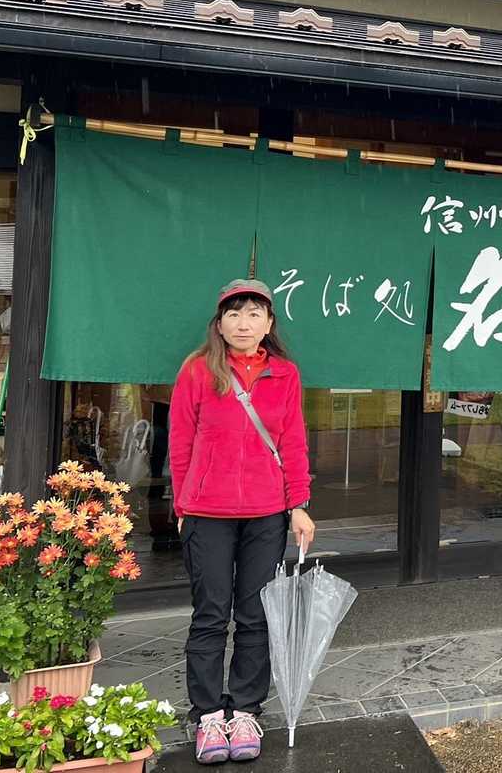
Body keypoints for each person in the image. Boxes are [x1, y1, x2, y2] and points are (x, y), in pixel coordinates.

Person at [170, 278, 315, 765]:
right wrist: (183, 507)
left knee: (256, 615)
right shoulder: (197, 370)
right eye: (234, 314)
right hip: (207, 514)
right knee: (210, 614)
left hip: (266, 514)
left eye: (254, 314)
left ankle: (247, 710)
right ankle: (209, 715)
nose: (243, 323)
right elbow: (180, 442)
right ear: (219, 324)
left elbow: (293, 441)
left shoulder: (285, 374)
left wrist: (298, 504)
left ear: (269, 323)